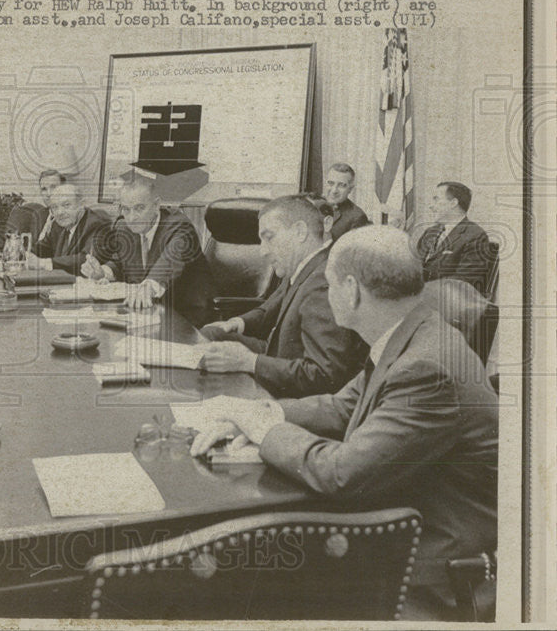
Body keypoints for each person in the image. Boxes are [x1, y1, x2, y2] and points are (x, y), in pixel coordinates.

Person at [190, 226, 497, 620]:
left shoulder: (425, 365)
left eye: (330, 284)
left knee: (238, 580)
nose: (328, 292)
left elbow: (342, 474)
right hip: (401, 514)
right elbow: (342, 405)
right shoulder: (413, 331)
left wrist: (265, 431)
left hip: (427, 564)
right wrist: (260, 415)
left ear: (351, 290)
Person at [200, 195, 368, 397]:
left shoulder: (323, 282)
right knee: (211, 335)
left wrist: (250, 362)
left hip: (291, 392)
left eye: (269, 237)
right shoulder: (304, 268)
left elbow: (324, 376)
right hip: (278, 358)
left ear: (299, 232)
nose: (263, 251)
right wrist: (236, 326)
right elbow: (271, 313)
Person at [83, 178, 214, 325]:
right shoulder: (124, 227)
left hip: (186, 315)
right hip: (147, 313)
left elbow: (170, 262)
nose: (132, 218)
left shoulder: (180, 226)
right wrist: (103, 271)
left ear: (156, 205)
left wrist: (149, 286)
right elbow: (121, 262)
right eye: (126, 209)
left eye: (139, 208)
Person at [416, 181, 493, 295]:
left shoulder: (476, 236)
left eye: (436, 199)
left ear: (453, 203)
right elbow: (414, 266)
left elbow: (464, 283)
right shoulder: (430, 232)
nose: (431, 206)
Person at [25, 184, 111, 275]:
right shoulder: (57, 224)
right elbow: (42, 248)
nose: (60, 212)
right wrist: (24, 254)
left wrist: (44, 263)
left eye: (66, 205)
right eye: (54, 207)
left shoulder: (96, 224)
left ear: (81, 204)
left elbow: (86, 259)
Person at [6, 169, 66, 248]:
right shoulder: (40, 215)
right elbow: (31, 247)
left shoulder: (69, 217)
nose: (48, 194)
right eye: (44, 189)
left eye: (53, 187)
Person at [324, 163, 370, 241]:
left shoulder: (357, 217)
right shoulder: (314, 205)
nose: (334, 190)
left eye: (341, 185)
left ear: (350, 189)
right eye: (331, 183)